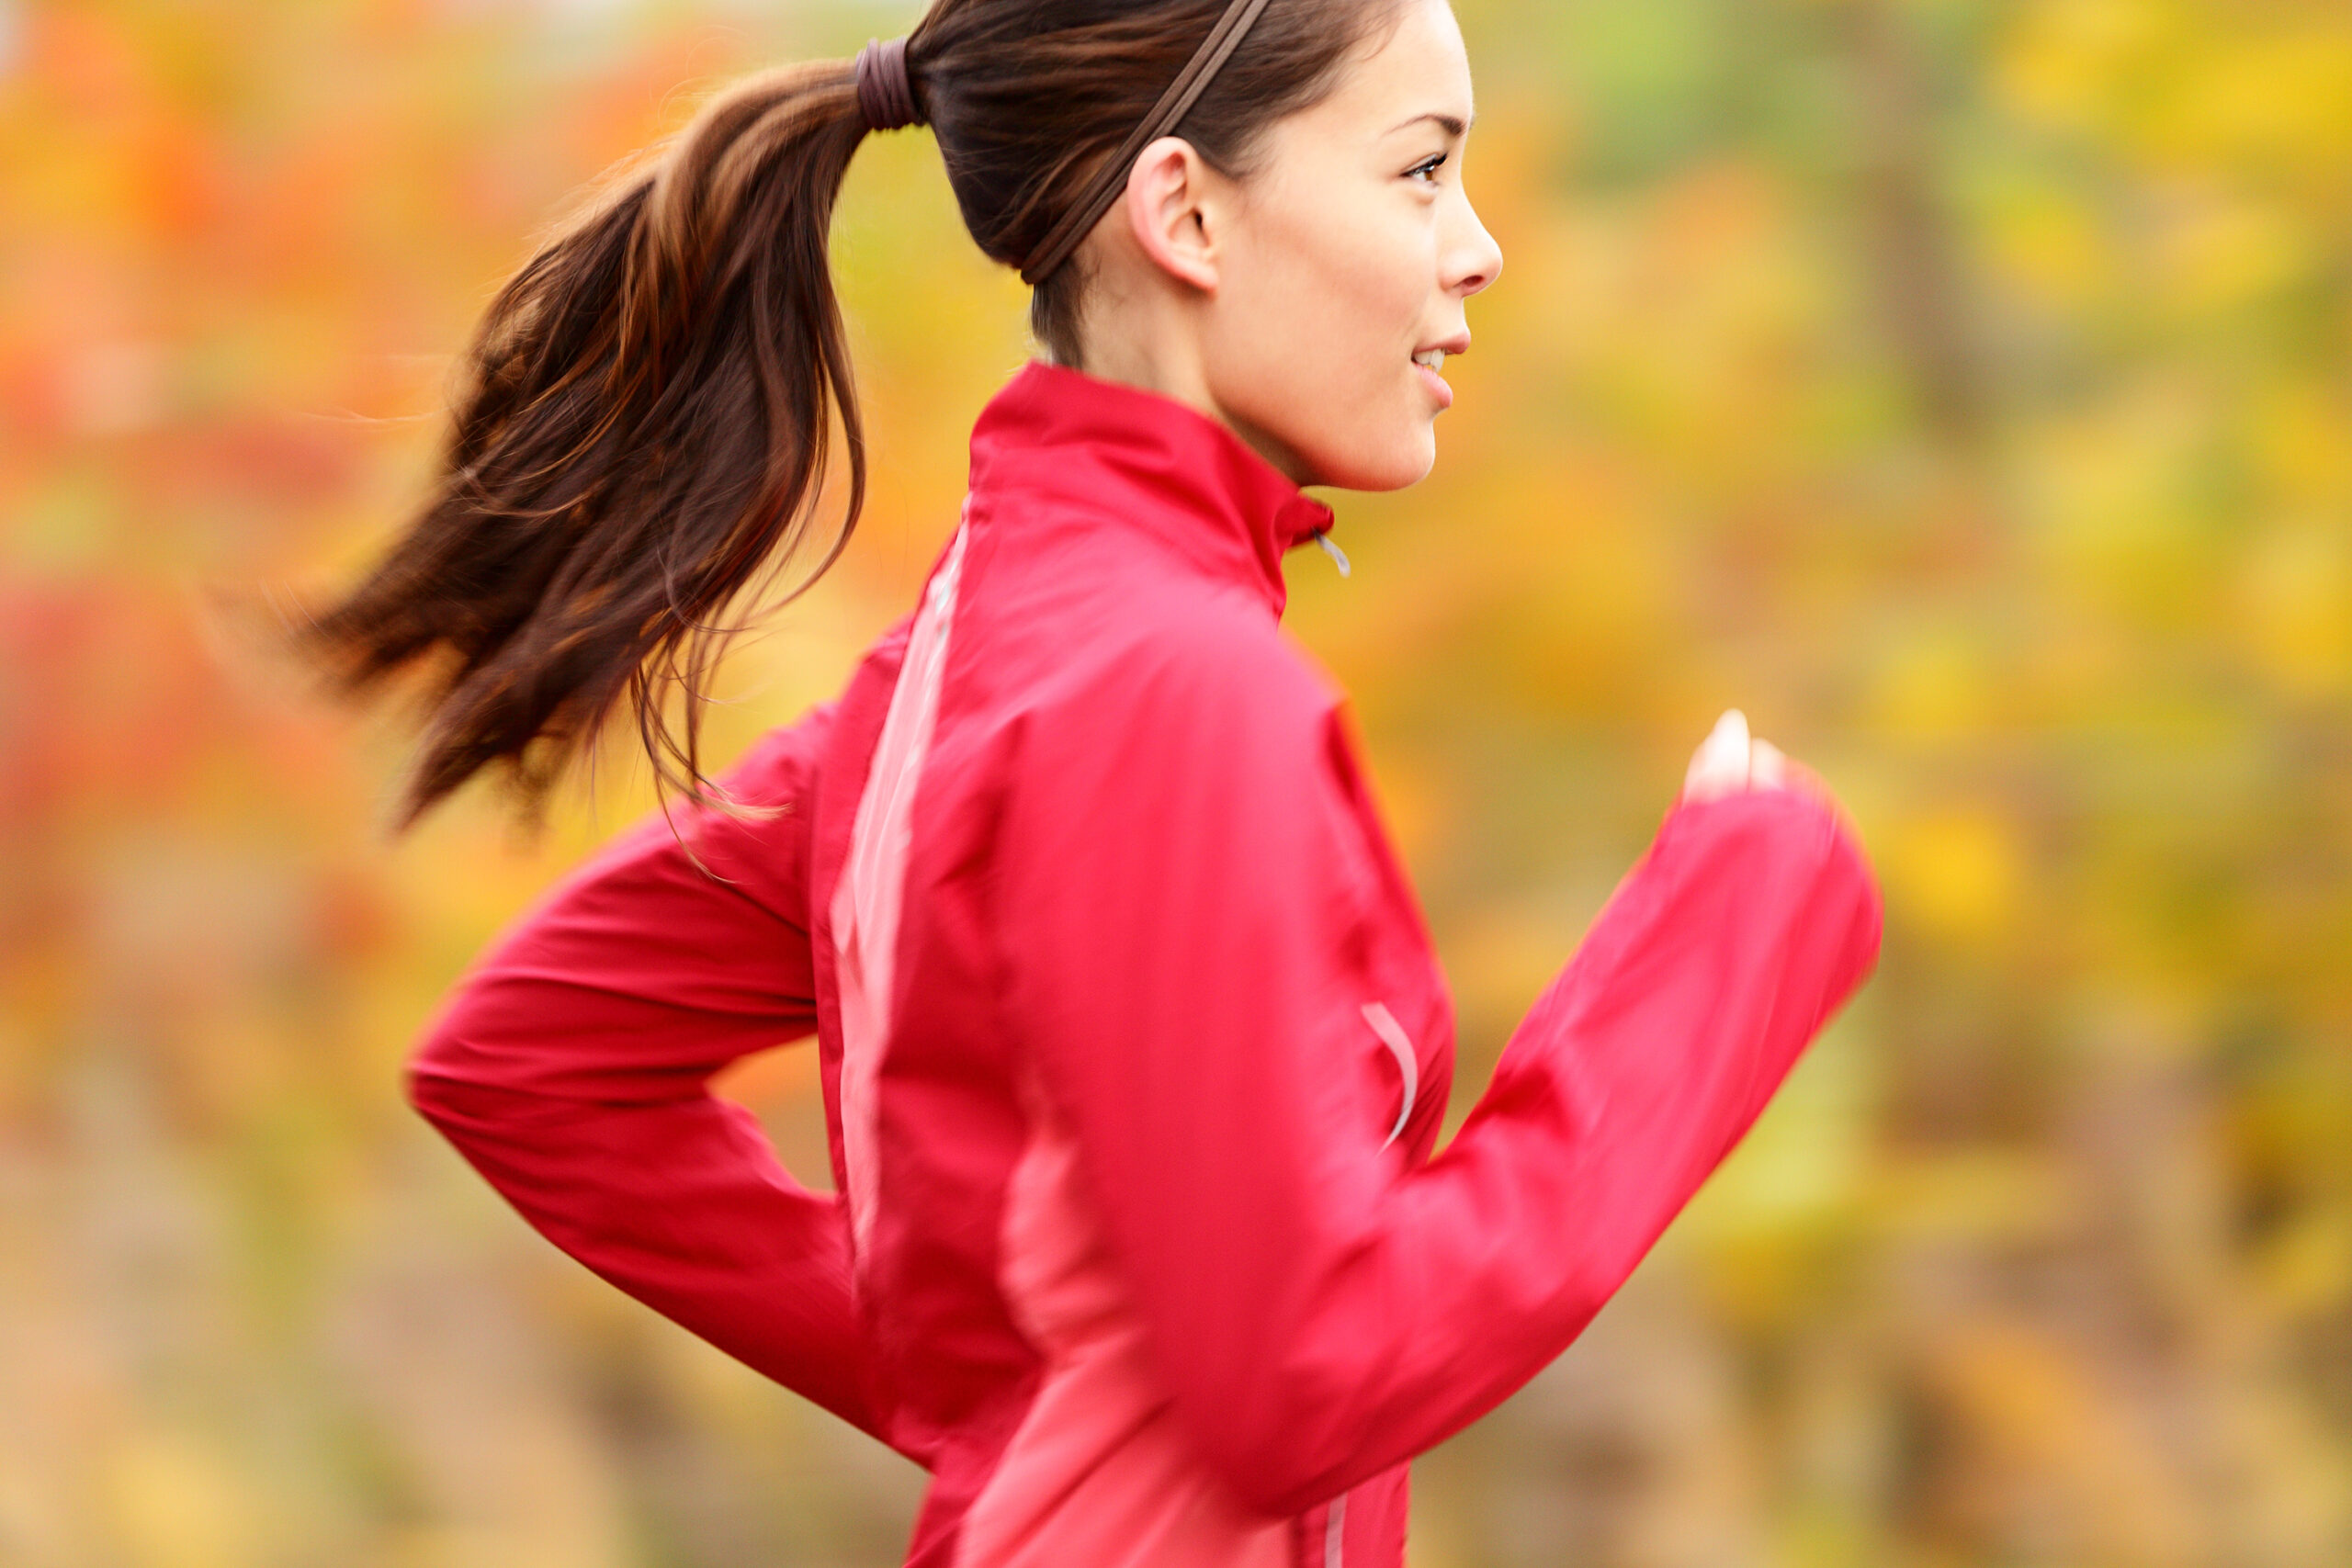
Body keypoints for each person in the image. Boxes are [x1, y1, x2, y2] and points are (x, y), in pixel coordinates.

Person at [298, 1, 1883, 1563]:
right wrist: (1732, 931)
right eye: (1420, 169)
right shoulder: (1170, 688)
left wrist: (1001, 1390)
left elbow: (531, 1063)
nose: (1476, 249)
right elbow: (1310, 1374)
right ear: (1186, 213)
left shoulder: (969, 668)